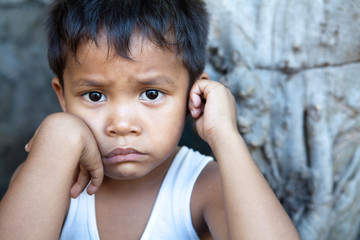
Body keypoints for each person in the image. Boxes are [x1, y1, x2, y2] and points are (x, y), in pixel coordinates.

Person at [0, 0, 301, 239]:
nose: (121, 124)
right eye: (94, 96)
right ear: (62, 96)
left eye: (152, 94)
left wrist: (225, 135)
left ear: (194, 96)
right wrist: (59, 132)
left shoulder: (203, 186)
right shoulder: (51, 177)